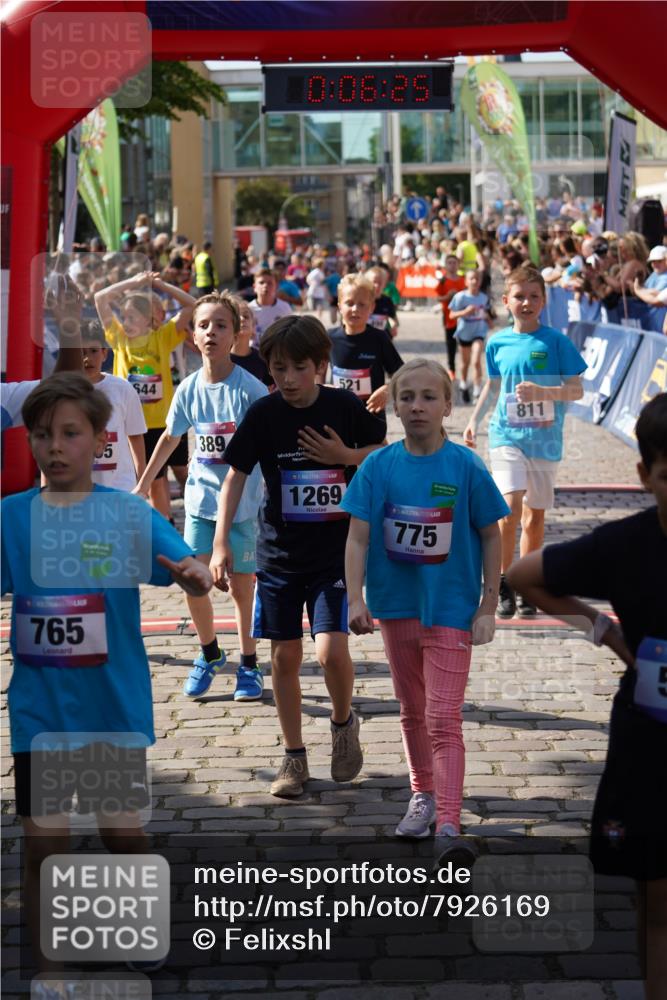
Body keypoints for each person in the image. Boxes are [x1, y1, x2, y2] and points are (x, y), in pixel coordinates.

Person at [1, 372, 211, 975]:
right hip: (41, 709)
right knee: (44, 845)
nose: (55, 446)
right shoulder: (11, 517)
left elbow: (182, 562)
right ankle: (49, 968)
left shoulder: (124, 514)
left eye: (70, 433)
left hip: (109, 705)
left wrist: (194, 574)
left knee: (122, 836)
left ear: (100, 441)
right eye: (43, 434)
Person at [506, 392, 667, 1000]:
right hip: (651, 742)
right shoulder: (623, 544)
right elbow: (523, 576)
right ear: (644, 476)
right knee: (657, 897)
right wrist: (607, 632)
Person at [210, 315, 386, 797]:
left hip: (335, 554)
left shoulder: (343, 405)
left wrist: (345, 457)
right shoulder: (264, 414)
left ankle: (343, 723)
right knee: (284, 657)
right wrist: (221, 542)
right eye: (278, 368)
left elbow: (382, 451)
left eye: (299, 368)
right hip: (278, 555)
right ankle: (293, 756)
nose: (288, 379)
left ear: (320, 365)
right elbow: (235, 477)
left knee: (331, 652)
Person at [342, 359, 508, 864]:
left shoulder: (466, 467)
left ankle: (450, 824)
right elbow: (357, 537)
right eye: (407, 397)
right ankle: (423, 796)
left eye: (429, 397)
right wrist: (355, 598)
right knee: (413, 711)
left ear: (447, 406)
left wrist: (488, 603)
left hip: (452, 610)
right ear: (394, 406)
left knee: (442, 716)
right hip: (396, 608)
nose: (417, 406)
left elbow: (492, 534)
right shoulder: (377, 467)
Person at [134, 292, 268, 701]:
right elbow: (170, 438)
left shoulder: (250, 390)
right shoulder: (189, 388)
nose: (211, 332)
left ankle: (249, 664)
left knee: (242, 589)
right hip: (199, 505)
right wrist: (143, 485)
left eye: (220, 325)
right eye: (203, 325)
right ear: (192, 335)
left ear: (236, 334)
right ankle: (209, 652)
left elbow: (269, 446)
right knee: (193, 582)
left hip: (243, 508)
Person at [463, 265, 586, 619]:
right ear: (506, 301)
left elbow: (576, 390)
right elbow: (493, 386)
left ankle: (528, 582)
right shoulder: (497, 342)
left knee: (534, 517)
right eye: (519, 297)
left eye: (534, 296)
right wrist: (473, 421)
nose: (527, 303)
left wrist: (543, 392)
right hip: (506, 435)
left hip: (545, 441)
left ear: (544, 301)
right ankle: (503, 582)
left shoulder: (557, 342)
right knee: (509, 508)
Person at [94, 271, 196, 519]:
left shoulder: (162, 337)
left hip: (163, 422)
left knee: (179, 471)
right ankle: (165, 524)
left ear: (148, 319)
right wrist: (135, 282)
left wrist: (159, 284)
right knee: (154, 480)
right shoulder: (119, 339)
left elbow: (192, 305)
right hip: (134, 426)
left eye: (131, 317)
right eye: (123, 316)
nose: (125, 321)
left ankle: (189, 514)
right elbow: (100, 298)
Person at [328, 273, 403, 429]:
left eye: (362, 304)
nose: (355, 309)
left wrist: (388, 389)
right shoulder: (329, 338)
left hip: (371, 417)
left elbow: (401, 373)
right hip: (338, 417)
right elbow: (316, 374)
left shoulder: (379, 338)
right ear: (339, 306)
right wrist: (322, 388)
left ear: (372, 307)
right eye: (349, 303)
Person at [81, 320, 147, 491]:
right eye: (81, 352)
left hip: (120, 487)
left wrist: (142, 482)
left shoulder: (123, 389)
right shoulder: (64, 392)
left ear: (104, 353)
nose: (87, 358)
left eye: (94, 351)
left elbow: (135, 435)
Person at [448, 268, 491, 403]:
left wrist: (488, 319)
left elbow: (487, 315)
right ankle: (463, 385)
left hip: (479, 332)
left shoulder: (484, 298)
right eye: (471, 278)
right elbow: (451, 315)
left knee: (476, 360)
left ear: (480, 281)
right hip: (464, 333)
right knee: (465, 363)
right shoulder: (460, 297)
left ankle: (477, 391)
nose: (474, 281)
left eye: (477, 279)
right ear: (466, 282)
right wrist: (465, 312)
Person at [436, 254, 466, 380]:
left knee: (465, 345)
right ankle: (451, 369)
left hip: (464, 318)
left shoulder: (464, 279)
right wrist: (447, 296)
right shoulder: (443, 281)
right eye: (449, 263)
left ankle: (464, 368)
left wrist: (459, 295)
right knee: (451, 344)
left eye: (454, 263)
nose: (452, 265)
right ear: (445, 265)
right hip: (448, 317)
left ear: (458, 265)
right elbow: (438, 297)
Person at [232, 299, 273, 388]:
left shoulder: (261, 359)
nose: (242, 319)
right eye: (236, 317)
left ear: (254, 326)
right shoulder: (221, 359)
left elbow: (269, 388)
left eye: (246, 316)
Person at [249, 269, 292, 345]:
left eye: (270, 283)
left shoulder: (285, 308)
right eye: (261, 282)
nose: (265, 286)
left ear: (276, 286)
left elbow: (289, 334)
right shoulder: (248, 309)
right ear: (254, 287)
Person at [366, 265, 399, 338]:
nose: (377, 285)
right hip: (365, 338)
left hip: (383, 338)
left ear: (384, 284)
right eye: (374, 282)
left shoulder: (387, 301)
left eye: (380, 283)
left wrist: (393, 326)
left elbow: (392, 318)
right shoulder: (363, 300)